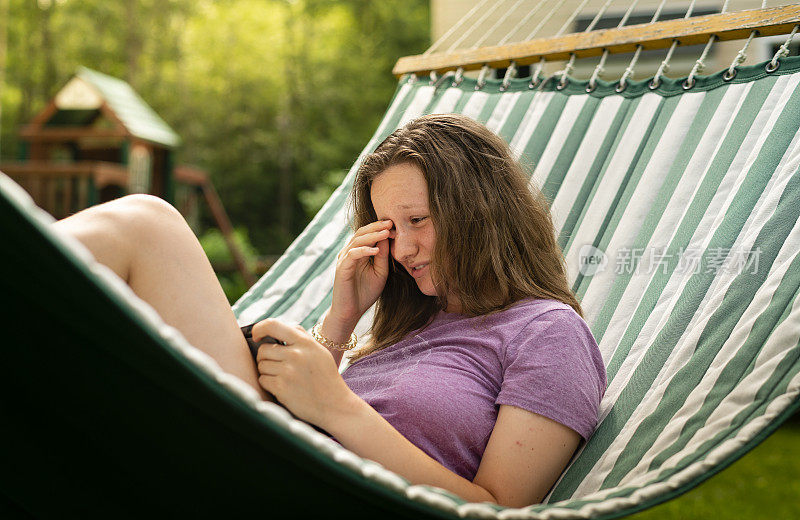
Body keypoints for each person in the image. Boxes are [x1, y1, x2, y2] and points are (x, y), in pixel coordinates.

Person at [54, 113, 606, 508]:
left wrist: (339, 407)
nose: (404, 248)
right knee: (137, 239)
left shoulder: (548, 333)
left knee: (149, 228)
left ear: (481, 211)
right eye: (391, 229)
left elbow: (499, 509)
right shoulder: (417, 322)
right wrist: (340, 322)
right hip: (265, 456)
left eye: (419, 220)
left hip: (286, 481)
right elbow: (310, 406)